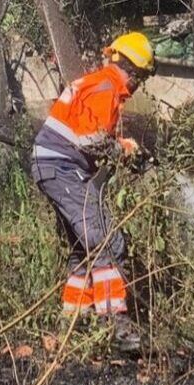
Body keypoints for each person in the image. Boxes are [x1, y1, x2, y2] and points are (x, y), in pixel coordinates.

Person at [30, 31, 155, 353]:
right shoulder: (106, 87)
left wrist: (120, 149)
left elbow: (91, 136)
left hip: (56, 166)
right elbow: (91, 139)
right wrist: (122, 150)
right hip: (62, 168)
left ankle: (74, 325)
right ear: (135, 71)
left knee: (82, 249)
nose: (140, 84)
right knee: (106, 242)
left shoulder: (98, 83)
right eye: (142, 77)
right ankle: (116, 327)